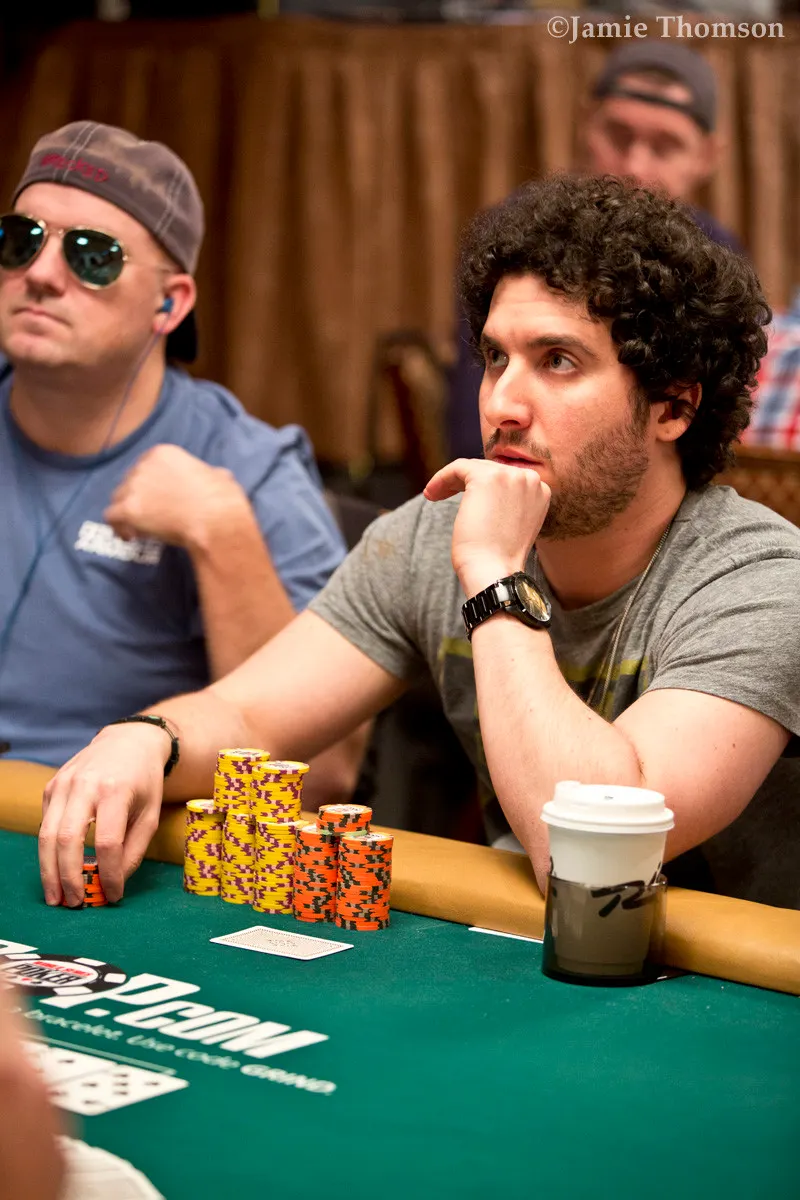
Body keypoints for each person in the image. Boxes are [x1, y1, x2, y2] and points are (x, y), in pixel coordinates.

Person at [39, 174, 800, 913]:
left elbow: (590, 853)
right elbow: (249, 720)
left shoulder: (759, 580)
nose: (502, 403)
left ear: (673, 407)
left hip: (740, 980)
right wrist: (148, 739)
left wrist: (495, 574)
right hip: (531, 954)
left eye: (558, 362)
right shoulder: (432, 537)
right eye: (496, 358)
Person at [0, 121, 348, 775]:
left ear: (169, 303)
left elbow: (323, 775)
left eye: (92, 255)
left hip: (106, 821)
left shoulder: (248, 470)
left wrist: (220, 534)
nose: (40, 274)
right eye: (21, 240)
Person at [449, 41, 742, 460]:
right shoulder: (519, 237)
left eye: (665, 146)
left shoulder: (718, 257)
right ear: (587, 124)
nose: (635, 166)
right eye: (618, 136)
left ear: (708, 156)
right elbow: (472, 421)